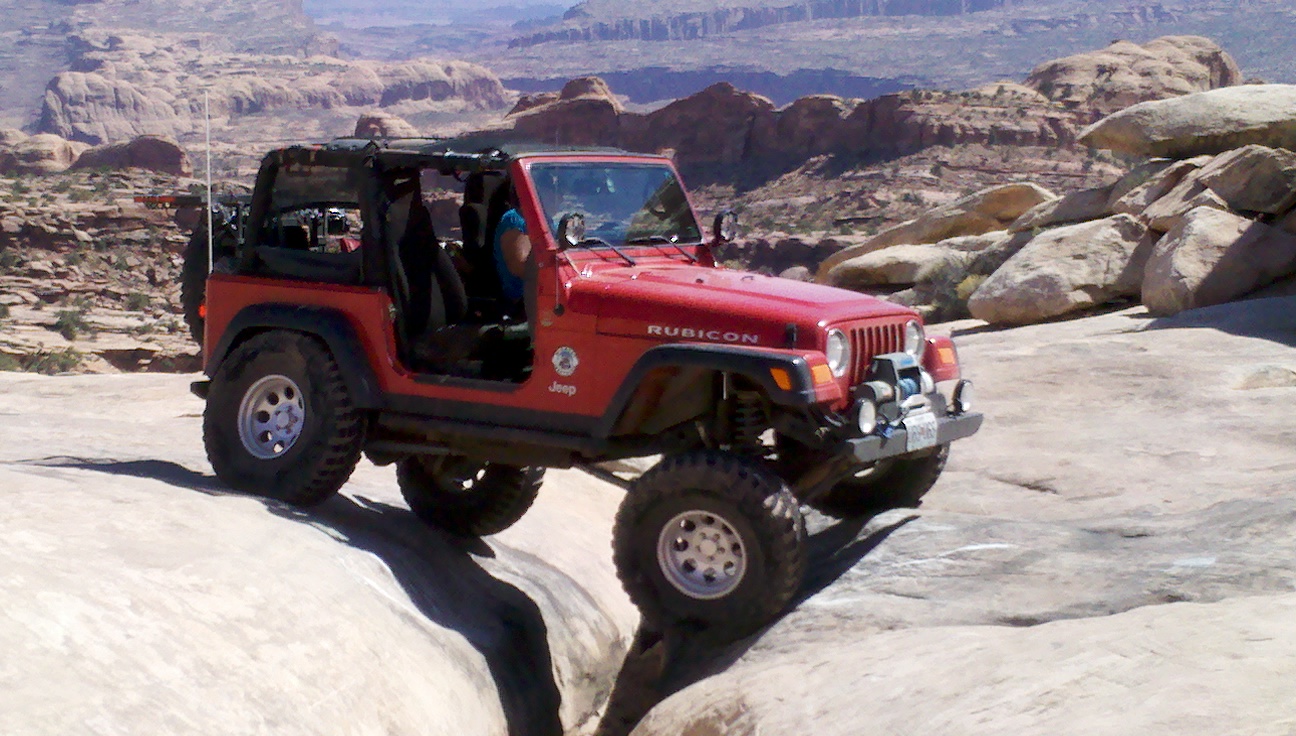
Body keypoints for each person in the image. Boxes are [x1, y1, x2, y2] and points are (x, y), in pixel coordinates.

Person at [493, 190, 530, 311]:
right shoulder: (514, 219)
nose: (560, 195)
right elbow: (520, 268)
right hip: (521, 300)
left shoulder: (546, 220)